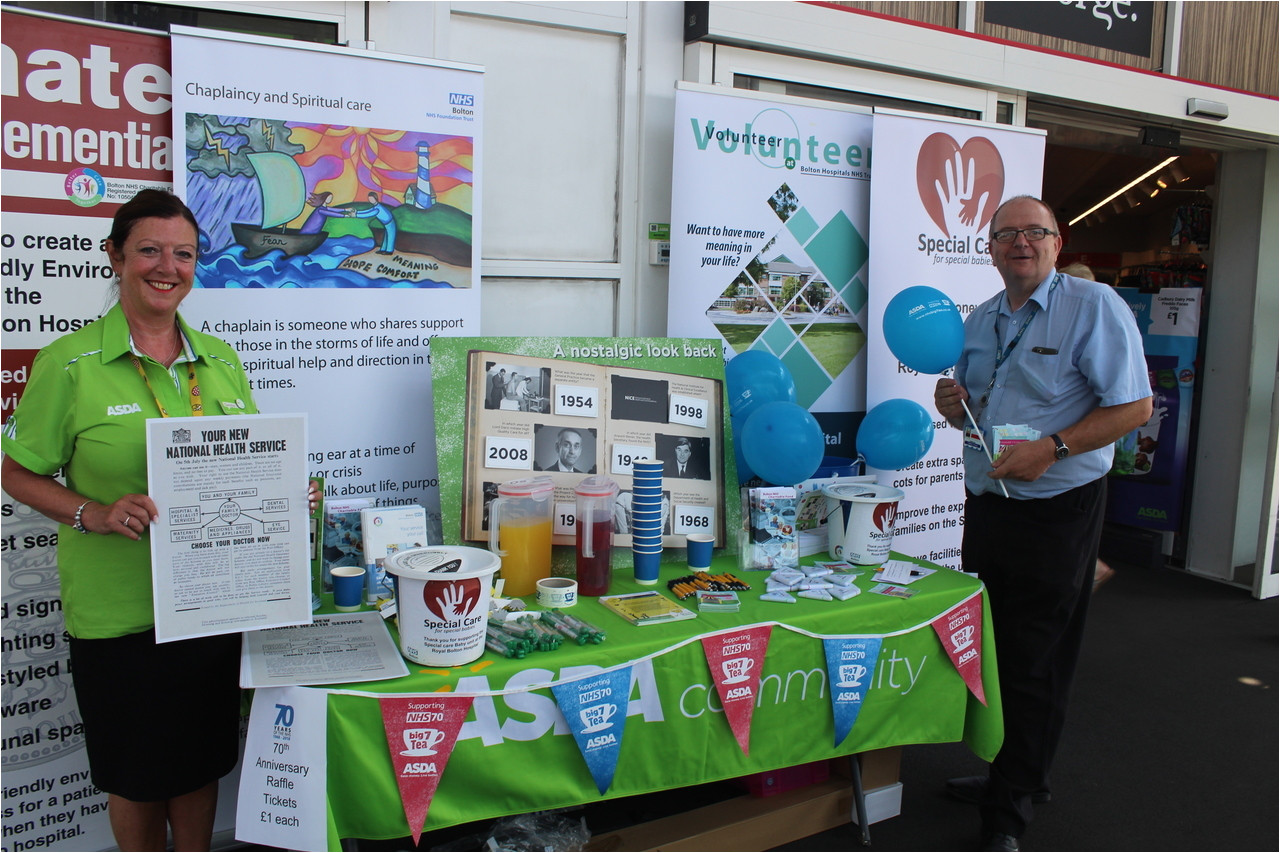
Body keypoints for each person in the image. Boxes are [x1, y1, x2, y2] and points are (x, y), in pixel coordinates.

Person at [0, 189, 320, 852]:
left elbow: (252, 460)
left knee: (199, 767)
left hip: (212, 606)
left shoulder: (221, 360)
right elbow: (14, 470)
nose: (166, 266)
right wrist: (93, 511)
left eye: (183, 253)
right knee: (139, 780)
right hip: (121, 616)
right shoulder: (71, 362)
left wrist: (289, 493)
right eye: (149, 249)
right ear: (116, 256)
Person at [933, 196, 1151, 852]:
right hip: (991, 504)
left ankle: (1009, 809)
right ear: (991, 248)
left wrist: (1051, 447)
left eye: (1034, 231)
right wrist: (952, 404)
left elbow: (1134, 407)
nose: (1020, 242)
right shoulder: (981, 319)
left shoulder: (1096, 307)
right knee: (999, 651)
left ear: (1057, 243)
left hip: (1058, 509)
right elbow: (975, 407)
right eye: (1006, 234)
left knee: (1035, 657)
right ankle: (1021, 771)